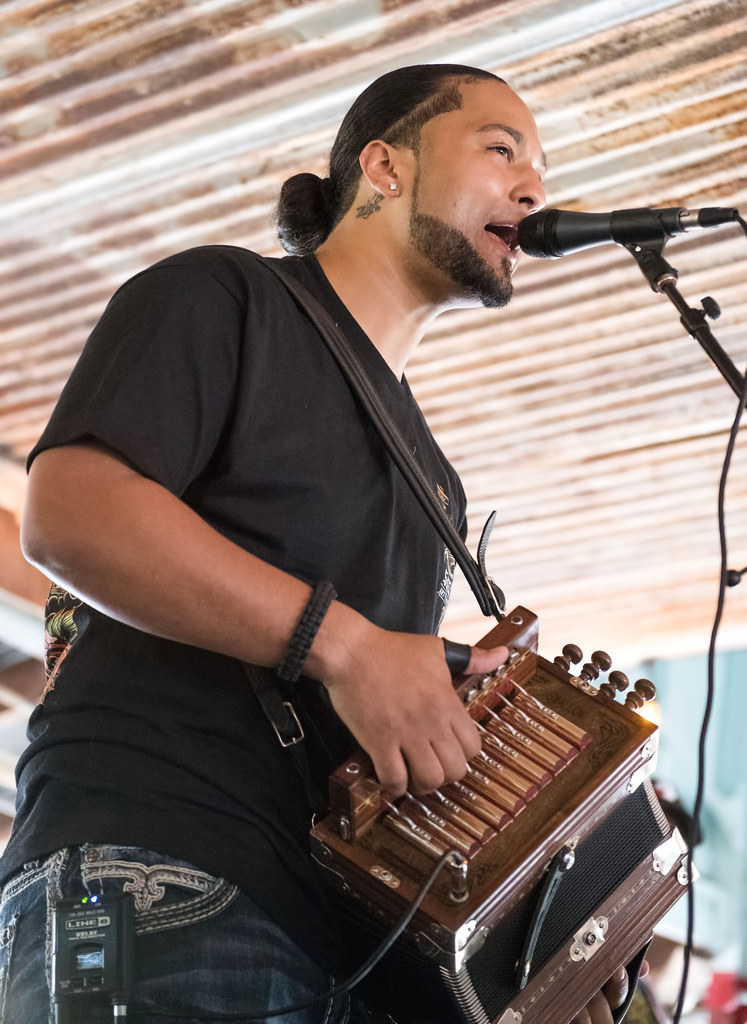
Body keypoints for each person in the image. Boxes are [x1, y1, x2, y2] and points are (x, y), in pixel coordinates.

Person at [0, 65, 636, 1024]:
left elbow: (364, 719)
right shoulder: (225, 294)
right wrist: (348, 646)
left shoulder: (434, 480)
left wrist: (533, 936)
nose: (533, 189)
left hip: (327, 943)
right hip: (159, 871)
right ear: (383, 166)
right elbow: (71, 516)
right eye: (502, 149)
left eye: (540, 169)